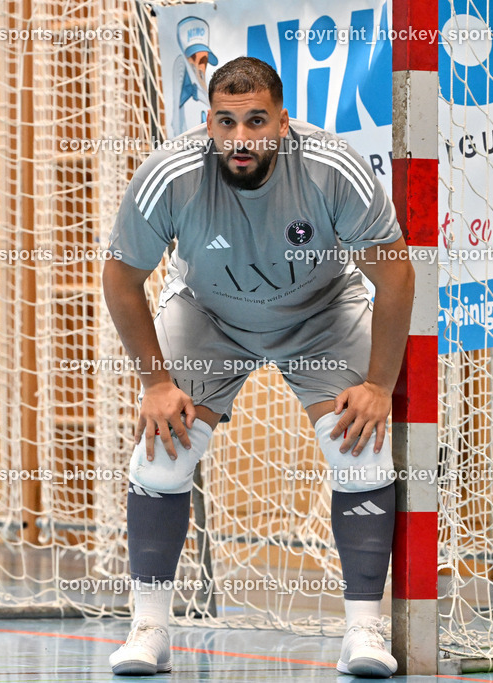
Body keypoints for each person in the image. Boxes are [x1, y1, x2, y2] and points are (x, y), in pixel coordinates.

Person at [102, 56, 414, 678]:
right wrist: (156, 382)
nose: (241, 138)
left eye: (256, 121)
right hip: (209, 314)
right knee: (162, 454)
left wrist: (379, 384)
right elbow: (121, 278)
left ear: (283, 121)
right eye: (226, 122)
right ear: (209, 123)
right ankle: (150, 630)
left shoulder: (332, 168)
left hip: (320, 313)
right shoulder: (169, 174)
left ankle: (364, 631)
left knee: (361, 448)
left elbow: (396, 273)